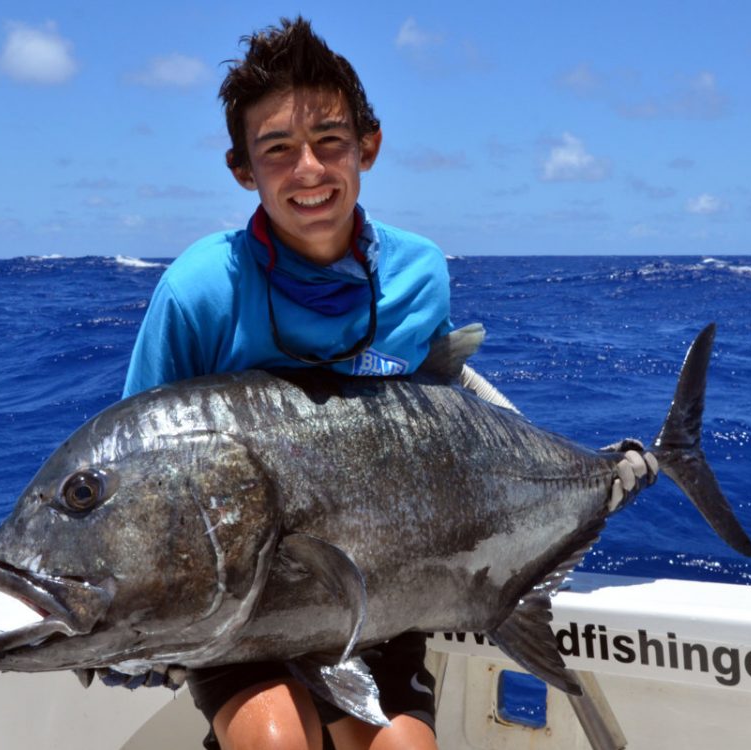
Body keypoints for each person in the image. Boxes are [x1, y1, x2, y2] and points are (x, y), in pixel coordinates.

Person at [121, 16, 448, 750]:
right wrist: (134, 619)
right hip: (243, 599)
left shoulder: (421, 275)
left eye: (330, 141)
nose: (308, 169)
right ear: (242, 168)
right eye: (277, 149)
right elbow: (138, 471)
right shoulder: (198, 290)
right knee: (277, 742)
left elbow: (436, 434)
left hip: (373, 587)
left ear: (368, 146)